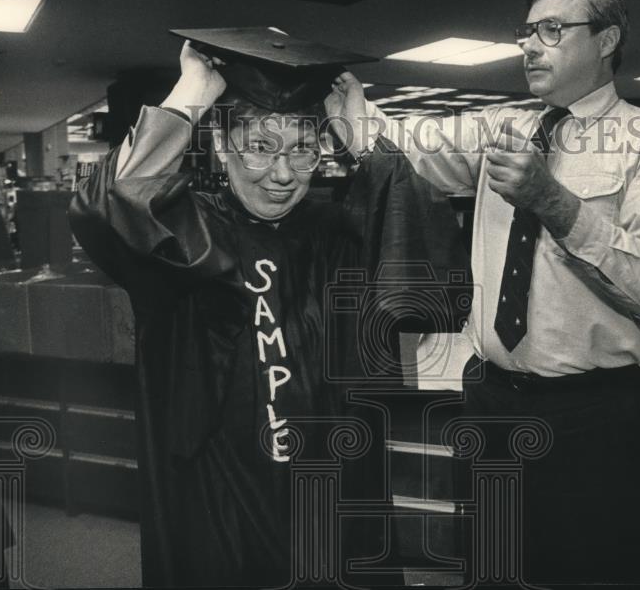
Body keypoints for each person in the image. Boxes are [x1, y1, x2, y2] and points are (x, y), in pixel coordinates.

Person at [326, 0, 640, 585]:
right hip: (492, 404)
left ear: (606, 40)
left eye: (552, 30)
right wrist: (349, 107)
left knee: (587, 571)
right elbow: (401, 149)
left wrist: (554, 202)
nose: (529, 45)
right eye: (526, 31)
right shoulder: (504, 125)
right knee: (489, 567)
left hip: (593, 419)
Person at [69, 29, 421, 588]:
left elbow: (413, 238)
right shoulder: (185, 234)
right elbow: (106, 206)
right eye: (260, 147)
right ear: (224, 146)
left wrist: (362, 133)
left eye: (302, 149)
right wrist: (194, 90)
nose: (282, 175)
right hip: (221, 494)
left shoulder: (337, 235)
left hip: (331, 488)